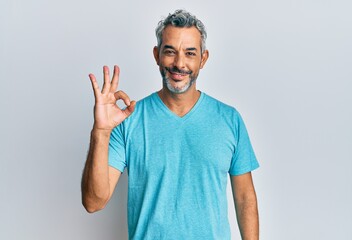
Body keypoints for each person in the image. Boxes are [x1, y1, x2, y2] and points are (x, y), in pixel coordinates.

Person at [81, 9, 259, 240]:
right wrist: (101, 132)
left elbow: (245, 198)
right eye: (170, 52)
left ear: (203, 59)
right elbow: (94, 202)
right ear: (156, 55)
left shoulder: (229, 119)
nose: (179, 63)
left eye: (190, 53)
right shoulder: (129, 120)